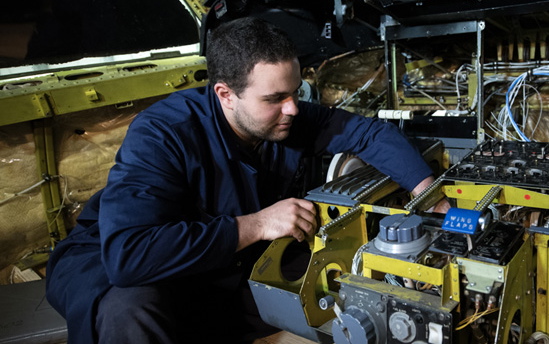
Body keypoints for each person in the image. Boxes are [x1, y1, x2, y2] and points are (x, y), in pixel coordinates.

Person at [45, 17, 437, 344]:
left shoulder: (287, 120)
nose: (293, 108)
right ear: (225, 94)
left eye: (295, 92)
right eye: (274, 98)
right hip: (117, 261)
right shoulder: (163, 133)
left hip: (221, 263)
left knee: (332, 281)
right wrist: (257, 224)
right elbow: (128, 256)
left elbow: (368, 134)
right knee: (131, 311)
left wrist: (428, 194)